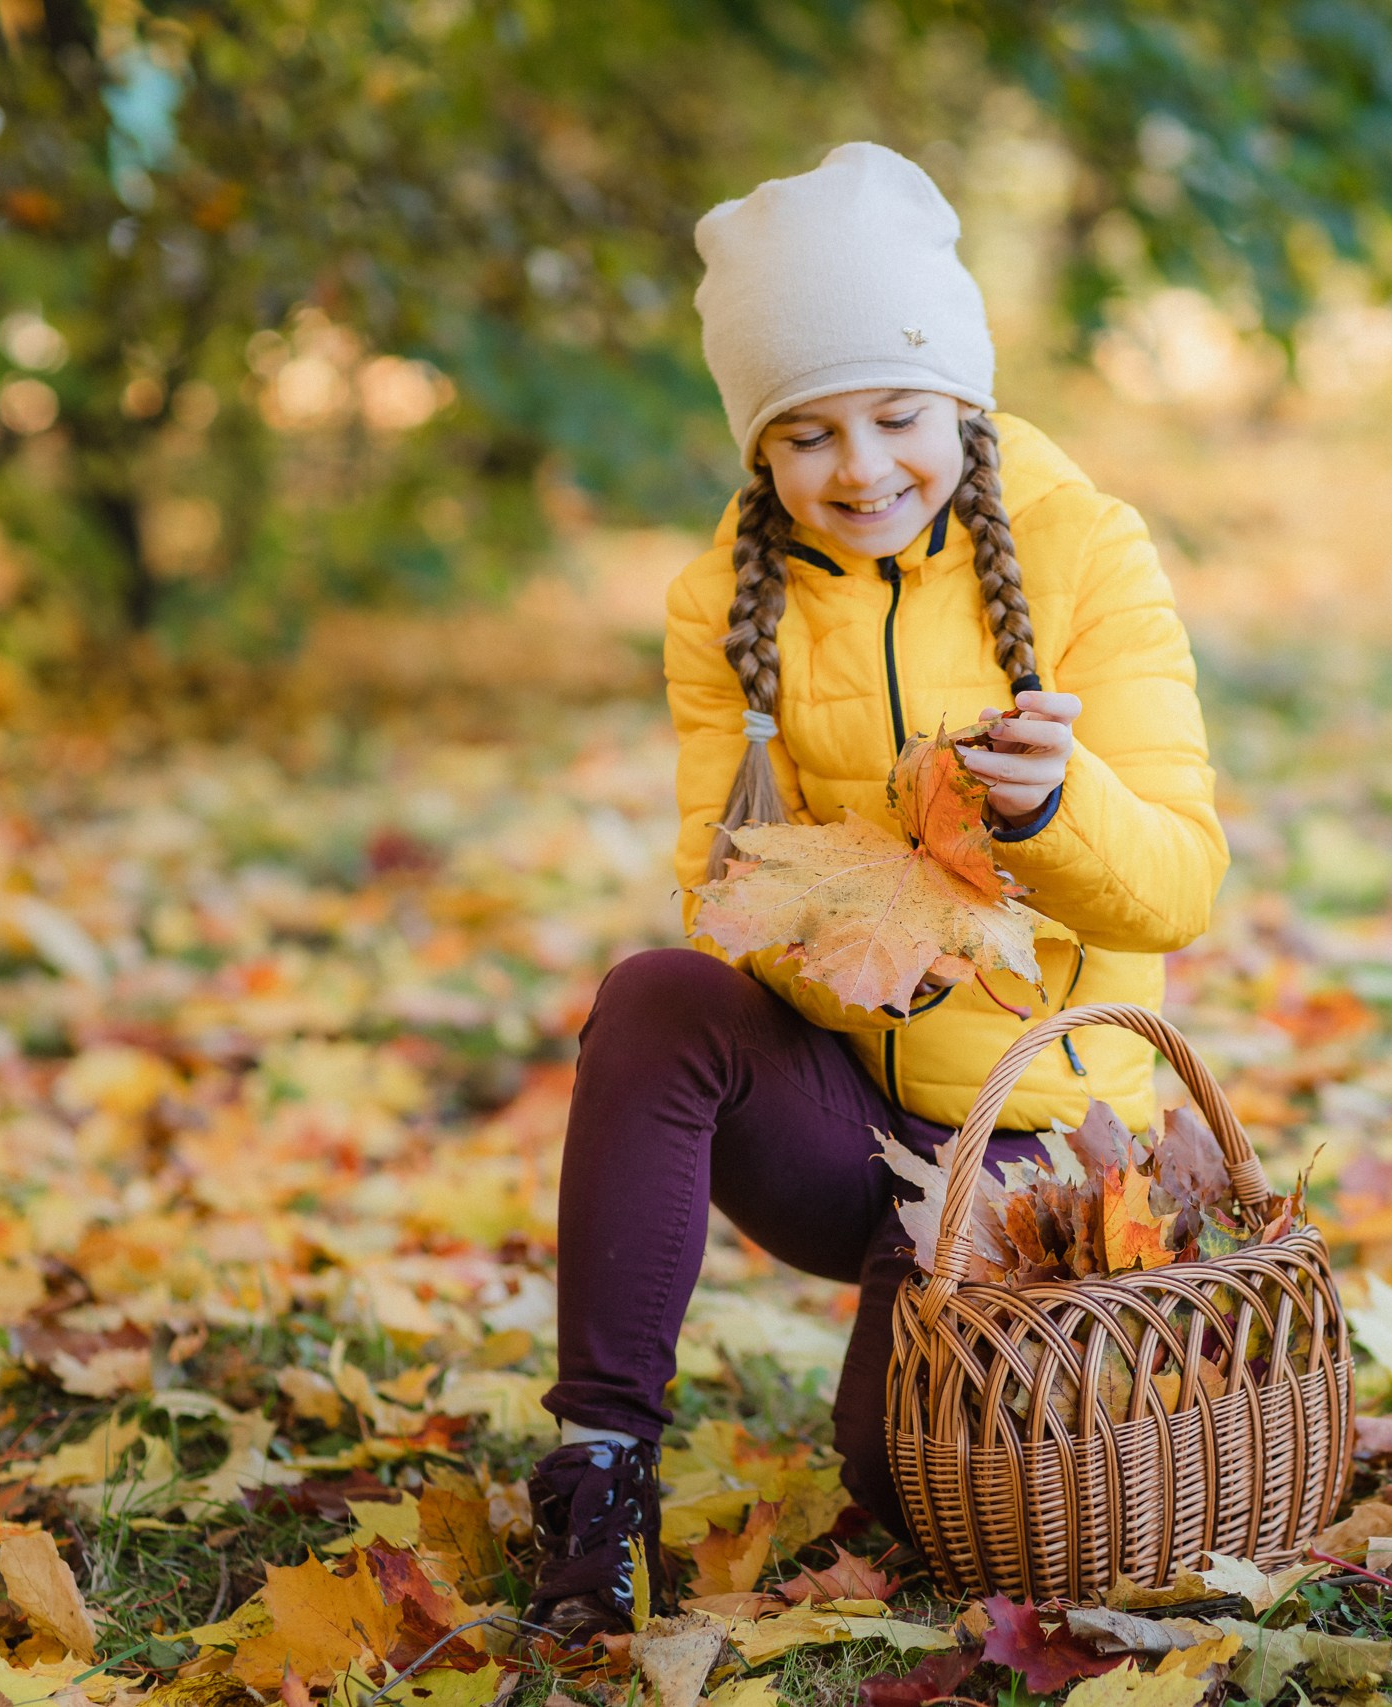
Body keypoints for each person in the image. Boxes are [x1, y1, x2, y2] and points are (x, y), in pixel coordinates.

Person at [525, 142, 1228, 1639]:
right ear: (758, 448)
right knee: (658, 999)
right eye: (807, 434)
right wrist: (855, 943)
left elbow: (1177, 888)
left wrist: (1043, 811)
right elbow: (723, 886)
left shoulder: (1087, 549)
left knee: (906, 1487)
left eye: (899, 416)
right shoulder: (720, 599)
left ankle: (922, 1363)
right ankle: (597, 1472)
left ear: (961, 401)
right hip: (845, 1118)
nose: (861, 470)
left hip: (1030, 1149)